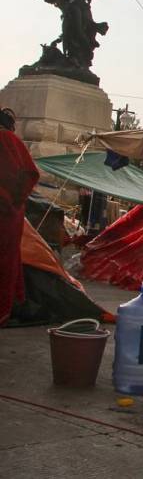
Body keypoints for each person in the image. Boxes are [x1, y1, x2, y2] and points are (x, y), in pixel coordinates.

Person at [0, 108, 40, 326]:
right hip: (6, 212)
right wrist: (13, 200)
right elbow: (29, 173)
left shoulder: (5, 139)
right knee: (6, 260)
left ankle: (12, 305)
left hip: (6, 210)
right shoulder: (6, 138)